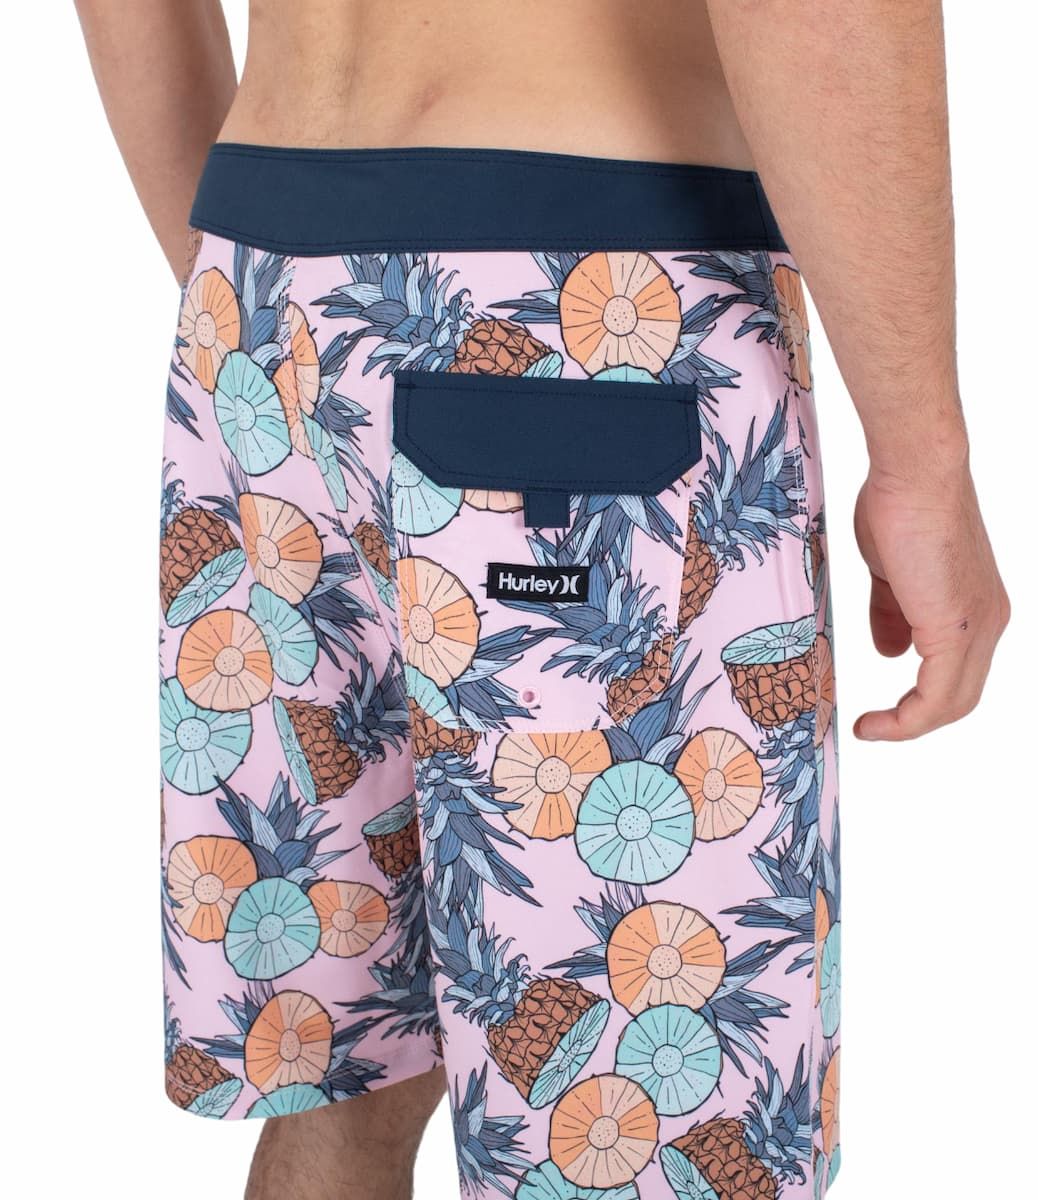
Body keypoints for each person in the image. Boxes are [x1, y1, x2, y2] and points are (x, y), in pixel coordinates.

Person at [75, 3, 1009, 1198]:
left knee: (360, 1066)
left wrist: (278, 317)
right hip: (584, 316)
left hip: (261, 299)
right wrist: (923, 460)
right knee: (636, 1131)